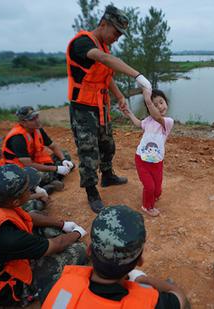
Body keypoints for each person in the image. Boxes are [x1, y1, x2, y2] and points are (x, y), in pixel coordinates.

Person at [0, 164, 88, 308]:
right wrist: (77, 233)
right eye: (28, 189)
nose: (31, 190)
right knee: (79, 249)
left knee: (43, 222)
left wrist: (62, 224)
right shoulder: (6, 237)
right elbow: (54, 246)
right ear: (15, 201)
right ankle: (30, 293)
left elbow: (27, 217)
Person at [66, 4, 153, 213]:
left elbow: (106, 76)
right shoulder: (82, 43)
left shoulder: (105, 46)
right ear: (103, 24)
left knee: (107, 145)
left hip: (100, 105)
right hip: (83, 109)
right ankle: (91, 192)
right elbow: (106, 60)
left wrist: (120, 96)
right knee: (89, 152)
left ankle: (107, 176)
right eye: (116, 33)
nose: (117, 38)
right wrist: (138, 76)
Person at [42, 205, 189, 308]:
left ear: (88, 251)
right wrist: (144, 279)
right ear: (139, 261)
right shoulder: (152, 304)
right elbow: (180, 297)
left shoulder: (56, 287)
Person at [122, 89, 174, 217]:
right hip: (141, 159)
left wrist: (148, 100)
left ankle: (153, 195)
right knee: (149, 187)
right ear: (150, 109)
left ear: (166, 102)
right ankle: (146, 206)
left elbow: (157, 116)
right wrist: (129, 113)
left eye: (161, 102)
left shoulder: (167, 122)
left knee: (157, 190)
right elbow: (139, 123)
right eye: (155, 105)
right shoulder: (148, 120)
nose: (159, 107)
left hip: (157, 162)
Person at [2, 106, 74, 190]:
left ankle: (51, 180)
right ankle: (46, 184)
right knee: (42, 175)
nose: (36, 120)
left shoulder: (37, 129)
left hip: (35, 162)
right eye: (32, 119)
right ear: (23, 122)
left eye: (36, 116)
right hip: (20, 169)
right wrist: (56, 168)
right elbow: (28, 165)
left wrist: (63, 160)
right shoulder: (18, 138)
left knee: (65, 154)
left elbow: (53, 146)